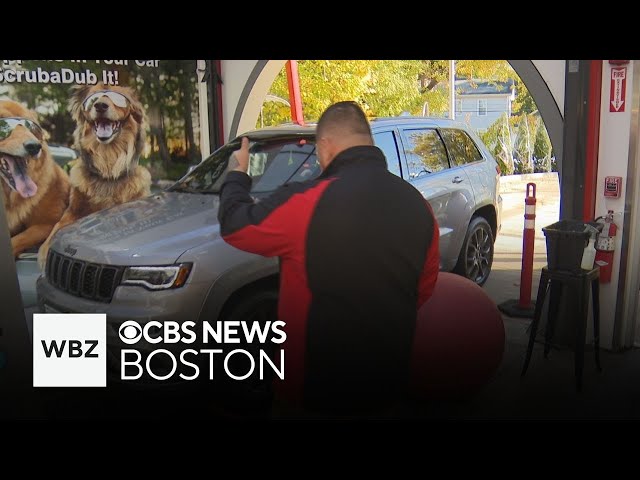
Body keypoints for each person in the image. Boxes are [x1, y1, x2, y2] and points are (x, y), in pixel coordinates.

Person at [218, 101, 439, 416]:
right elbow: (424, 288)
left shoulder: (308, 201)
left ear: (325, 146)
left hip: (312, 392)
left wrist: (237, 175)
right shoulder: (419, 205)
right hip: (387, 385)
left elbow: (236, 226)